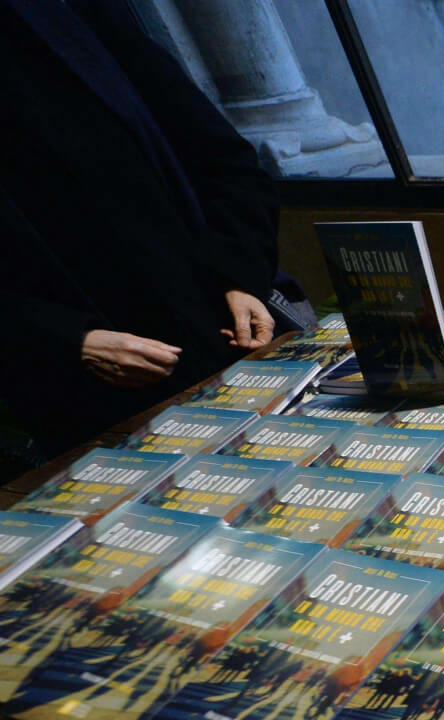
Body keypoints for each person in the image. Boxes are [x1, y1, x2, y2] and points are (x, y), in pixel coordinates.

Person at [0, 0, 282, 462]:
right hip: (77, 391)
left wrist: (239, 274)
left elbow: (225, 160)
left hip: (214, 332)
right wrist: (69, 341)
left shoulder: (71, 16)